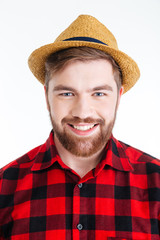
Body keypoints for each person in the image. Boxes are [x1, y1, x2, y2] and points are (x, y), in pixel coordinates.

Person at [0, 14, 159, 240]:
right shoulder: (5, 187)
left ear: (118, 97)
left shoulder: (156, 184)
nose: (83, 112)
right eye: (67, 93)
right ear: (47, 97)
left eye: (99, 93)